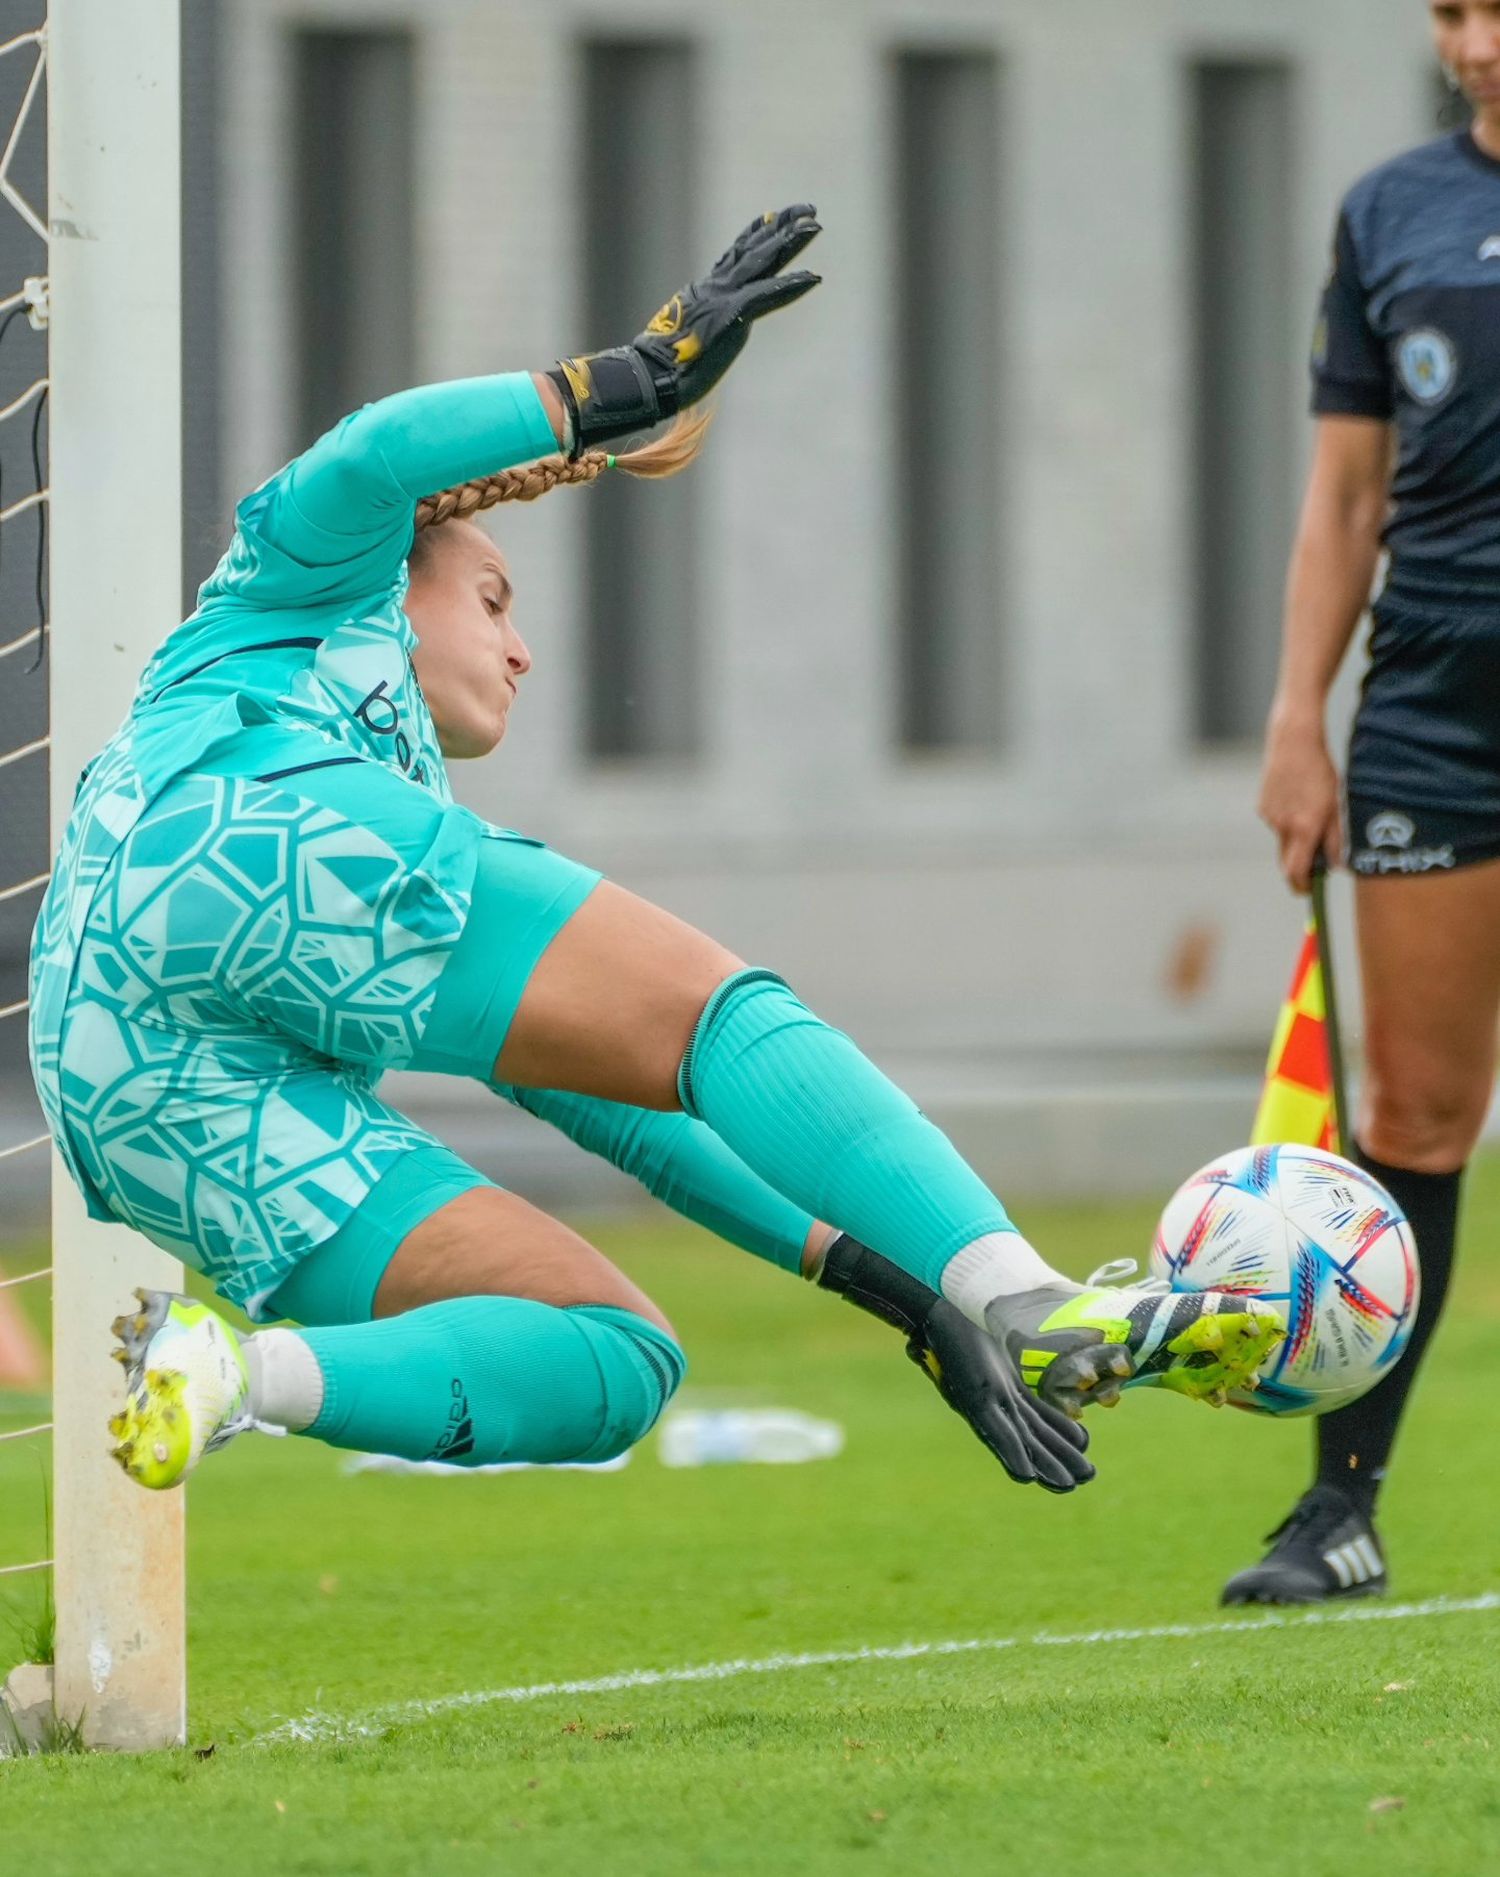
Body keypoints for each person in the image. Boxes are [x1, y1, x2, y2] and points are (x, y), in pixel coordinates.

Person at [30, 207, 1280, 1507]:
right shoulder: (312, 581)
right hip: (227, 836)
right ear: (404, 575)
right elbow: (378, 449)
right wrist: (635, 381)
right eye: (495, 600)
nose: (522, 649)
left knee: (617, 1356)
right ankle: (1034, 1295)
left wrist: (903, 1290)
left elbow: (637, 1107)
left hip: (114, 1070)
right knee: (731, 1009)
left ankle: (234, 1377)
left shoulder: (388, 788)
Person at [1229, 1, 1500, 1603]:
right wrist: (1295, 720)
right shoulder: (1391, 208)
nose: (1478, 38)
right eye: (1453, 9)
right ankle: (1340, 1511)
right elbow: (1344, 494)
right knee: (1408, 1122)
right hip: (1432, 712)